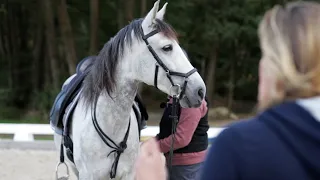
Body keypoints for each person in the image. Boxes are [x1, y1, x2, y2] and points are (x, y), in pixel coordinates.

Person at [134, 1, 320, 180]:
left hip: (185, 165)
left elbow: (182, 137)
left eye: (266, 56)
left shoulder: (239, 146)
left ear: (280, 66)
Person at [154, 95, 209, 180]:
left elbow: (181, 139)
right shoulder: (176, 97)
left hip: (187, 166)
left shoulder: (191, 101)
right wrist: (147, 143)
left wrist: (153, 147)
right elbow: (168, 131)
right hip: (177, 163)